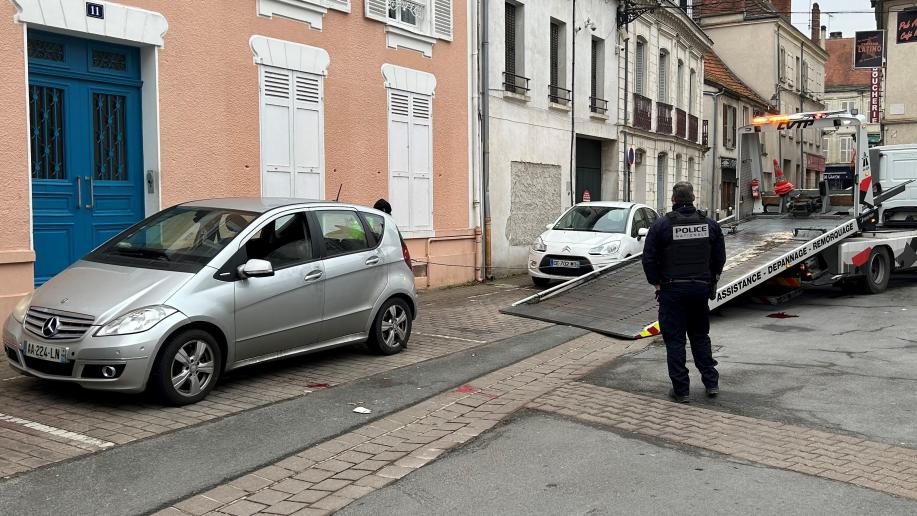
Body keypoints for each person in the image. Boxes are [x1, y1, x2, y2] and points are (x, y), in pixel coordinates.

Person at [642, 182, 726, 403]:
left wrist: (656, 283)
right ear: (693, 198)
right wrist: (712, 279)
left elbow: (648, 258)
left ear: (673, 199)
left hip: (672, 290)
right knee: (700, 337)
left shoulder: (661, 225)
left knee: (675, 340)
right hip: (700, 289)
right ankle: (711, 383)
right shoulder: (710, 225)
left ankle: (681, 390)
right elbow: (719, 258)